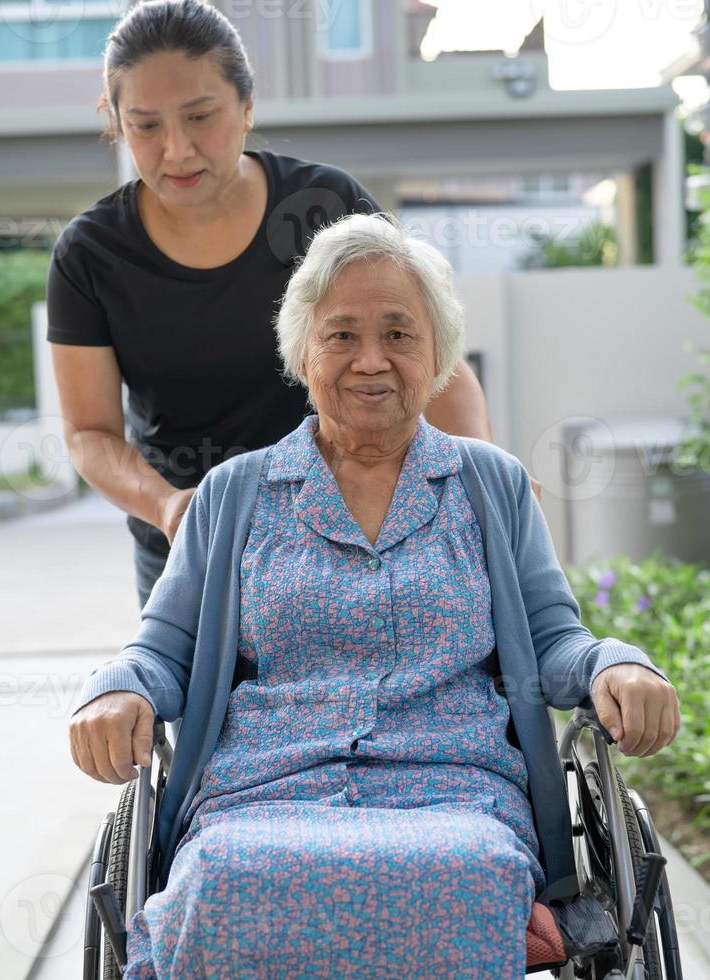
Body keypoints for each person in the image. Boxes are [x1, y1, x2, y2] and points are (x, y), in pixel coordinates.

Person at [67, 213, 681, 976]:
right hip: (265, 789)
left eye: (399, 334)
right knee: (224, 875)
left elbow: (554, 635)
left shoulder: (488, 484)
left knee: (467, 869)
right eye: (342, 335)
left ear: (438, 355)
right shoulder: (235, 494)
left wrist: (614, 666)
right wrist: (118, 689)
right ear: (302, 350)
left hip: (455, 792)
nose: (371, 361)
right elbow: (164, 648)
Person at [47, 0, 495, 608]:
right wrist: (168, 506)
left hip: (353, 529)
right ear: (115, 121)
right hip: (193, 549)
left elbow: (431, 361)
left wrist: (491, 490)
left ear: (247, 106)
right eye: (146, 125)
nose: (176, 150)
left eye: (200, 116)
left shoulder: (322, 203)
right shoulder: (91, 253)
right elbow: (90, 432)